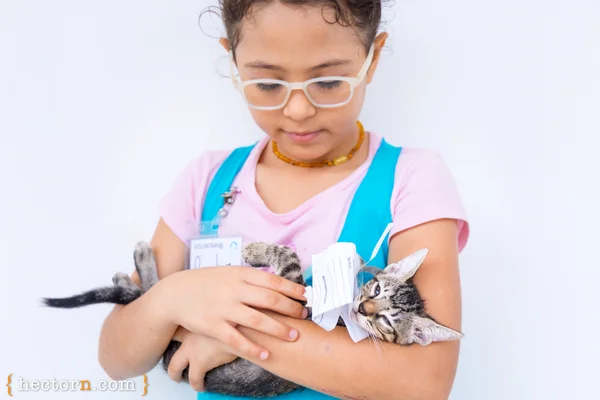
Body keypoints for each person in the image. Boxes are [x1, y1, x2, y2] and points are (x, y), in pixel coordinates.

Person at [97, 1, 469, 399]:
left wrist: (237, 336)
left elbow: (425, 381)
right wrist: (171, 298)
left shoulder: (410, 179)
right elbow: (116, 358)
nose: (298, 110)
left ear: (372, 58)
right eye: (269, 85)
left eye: (327, 82)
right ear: (234, 62)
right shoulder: (206, 181)